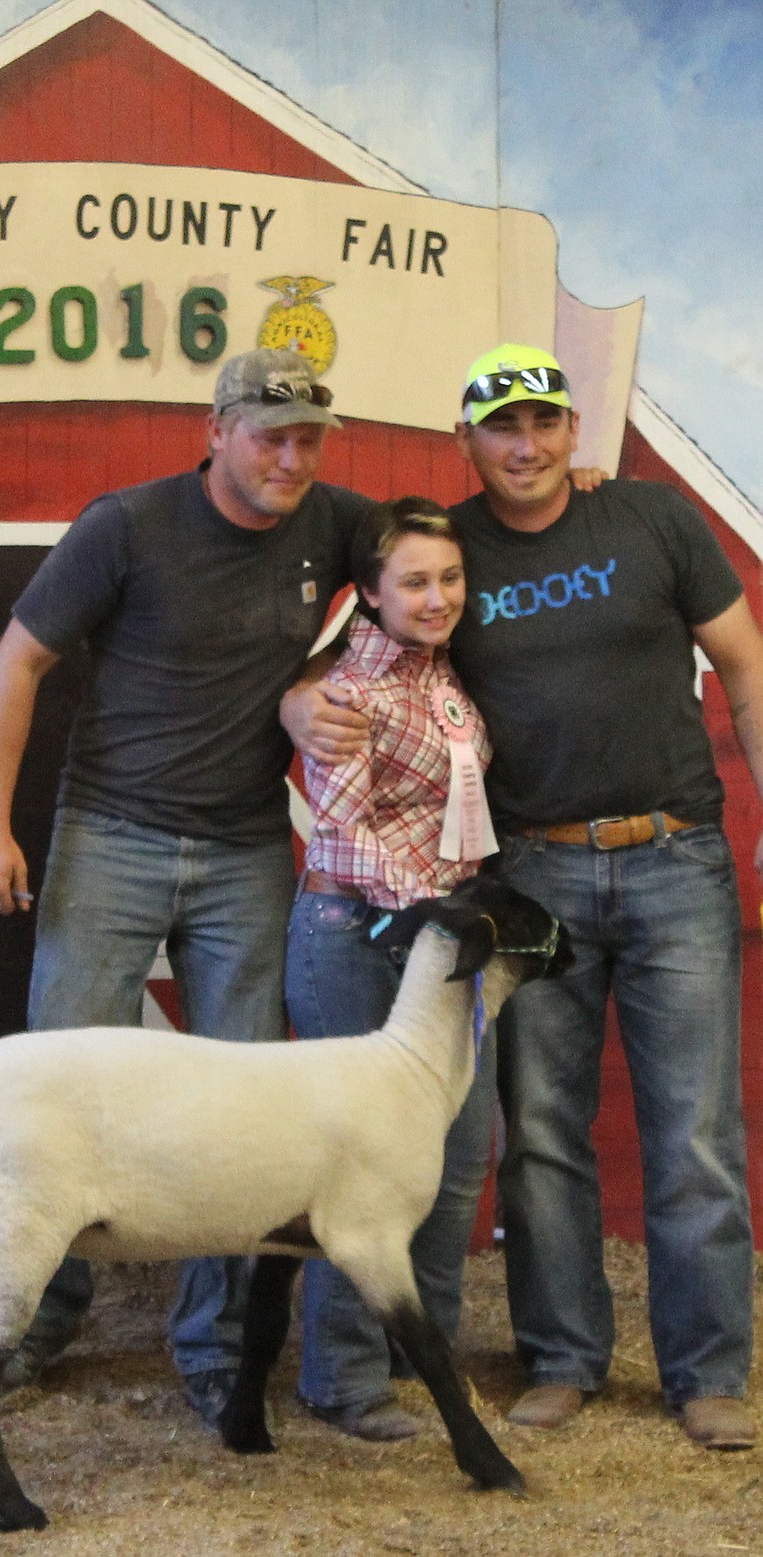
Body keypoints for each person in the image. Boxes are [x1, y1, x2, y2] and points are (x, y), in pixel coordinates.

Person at [286, 342, 763, 1450]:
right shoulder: (446, 553)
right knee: (542, 1130)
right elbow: (330, 671)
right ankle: (562, 1360)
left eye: (544, 421)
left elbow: (744, 665)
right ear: (469, 442)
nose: (527, 443)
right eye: (502, 425)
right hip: (532, 870)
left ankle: (709, 1375)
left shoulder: (650, 521)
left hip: (674, 854)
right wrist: (292, 712)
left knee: (695, 1131)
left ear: (571, 432)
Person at [0, 346, 378, 1427]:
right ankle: (33, 1324)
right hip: (110, 836)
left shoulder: (333, 522)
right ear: (217, 429)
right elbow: (17, 663)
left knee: (238, 1116)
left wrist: (570, 504)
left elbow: (442, 556)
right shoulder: (129, 526)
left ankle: (215, 1345)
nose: (290, 458)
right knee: (57, 1094)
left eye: (307, 439)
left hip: (246, 850)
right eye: (269, 435)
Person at [286, 496, 500, 1442]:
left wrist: (449, 922)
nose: (437, 595)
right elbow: (340, 832)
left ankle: (429, 1357)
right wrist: (435, 914)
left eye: (449, 578)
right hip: (355, 932)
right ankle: (343, 1376)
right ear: (369, 594)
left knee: (455, 1156)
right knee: (358, 1168)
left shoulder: (448, 680)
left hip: (441, 941)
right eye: (414, 581)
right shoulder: (347, 693)